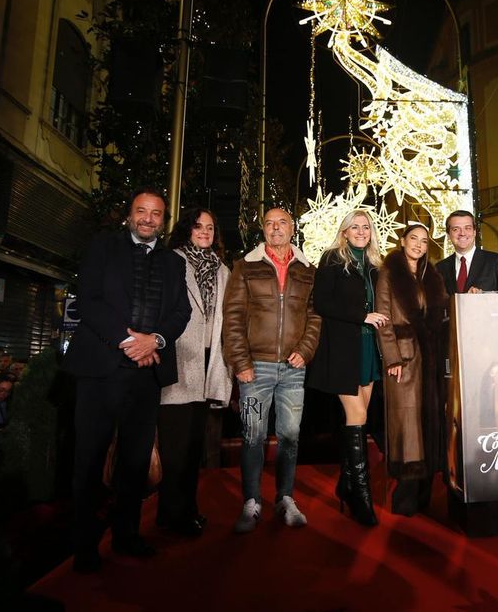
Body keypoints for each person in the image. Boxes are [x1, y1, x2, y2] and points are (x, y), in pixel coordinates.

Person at [62, 187, 192, 573]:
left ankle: (127, 535)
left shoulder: (172, 262)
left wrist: (155, 341)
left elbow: (181, 312)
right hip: (100, 370)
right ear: (130, 214)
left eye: (156, 213)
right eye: (142, 211)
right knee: (88, 459)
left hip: (146, 373)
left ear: (163, 220)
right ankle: (84, 545)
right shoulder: (103, 247)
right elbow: (88, 300)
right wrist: (128, 341)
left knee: (135, 462)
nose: (148, 218)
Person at [222, 207, 321, 533]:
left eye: (282, 223)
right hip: (255, 369)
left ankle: (285, 498)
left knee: (290, 436)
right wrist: (240, 362)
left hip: (293, 368)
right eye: (269, 223)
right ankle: (252, 502)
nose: (276, 229)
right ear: (262, 229)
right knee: (253, 436)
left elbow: (314, 316)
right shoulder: (245, 266)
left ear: (292, 229)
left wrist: (305, 351)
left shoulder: (308, 270)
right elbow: (233, 316)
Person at [307, 210, 389, 527]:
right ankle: (361, 499)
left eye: (365, 227)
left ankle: (346, 484)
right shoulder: (331, 259)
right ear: (344, 232)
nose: (360, 231)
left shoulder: (376, 266)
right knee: (357, 417)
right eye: (354, 226)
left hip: (370, 348)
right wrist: (362, 316)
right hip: (342, 351)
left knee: (360, 419)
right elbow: (322, 304)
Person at [156, 207, 232, 538]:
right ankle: (171, 515)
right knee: (174, 447)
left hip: (207, 364)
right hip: (178, 361)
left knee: (192, 448)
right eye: (198, 226)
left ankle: (187, 509)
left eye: (210, 228)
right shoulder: (170, 261)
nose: (204, 232)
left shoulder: (222, 270)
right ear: (187, 229)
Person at [375, 223, 449, 515]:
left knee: (428, 422)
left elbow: (441, 314)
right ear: (402, 240)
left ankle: (424, 494)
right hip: (403, 360)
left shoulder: (432, 275)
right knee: (407, 426)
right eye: (413, 239)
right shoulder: (389, 274)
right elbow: (382, 317)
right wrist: (392, 357)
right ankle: (405, 496)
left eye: (424, 241)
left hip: (429, 357)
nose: (419, 245)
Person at [436, 210, 498, 294]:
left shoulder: (494, 261)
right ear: (448, 234)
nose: (462, 233)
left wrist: (484, 295)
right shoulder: (440, 268)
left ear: (474, 232)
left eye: (467, 228)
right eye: (456, 229)